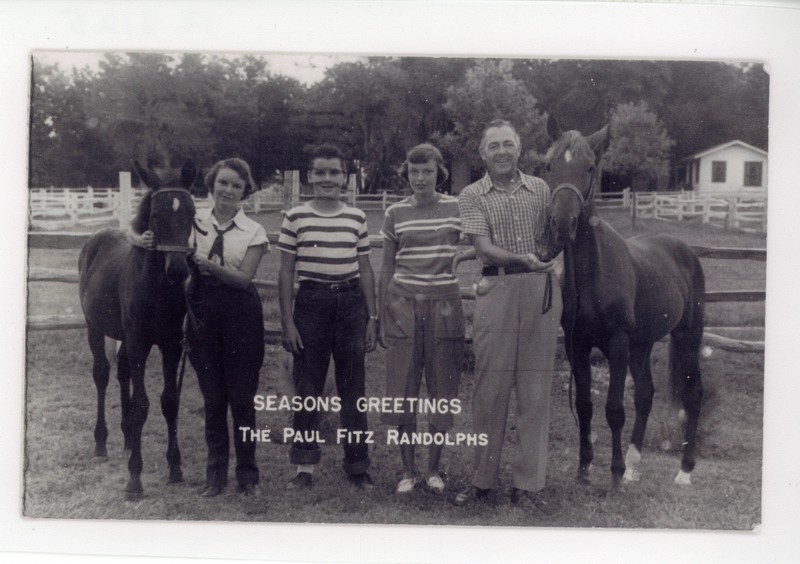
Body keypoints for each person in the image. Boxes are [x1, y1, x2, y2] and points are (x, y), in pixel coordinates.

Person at [139, 158, 268, 498]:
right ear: (211, 185)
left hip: (242, 315)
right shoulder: (192, 222)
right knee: (213, 399)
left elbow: (243, 279)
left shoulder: (254, 231)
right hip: (202, 315)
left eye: (236, 186)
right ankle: (215, 478)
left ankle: (247, 476)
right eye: (223, 183)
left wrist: (208, 263)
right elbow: (155, 236)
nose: (228, 190)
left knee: (242, 399)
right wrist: (148, 239)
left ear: (245, 192)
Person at [454, 119, 563, 508]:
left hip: (540, 292)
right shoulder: (472, 194)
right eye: (493, 146)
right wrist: (522, 259)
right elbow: (482, 248)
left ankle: (527, 486)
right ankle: (483, 482)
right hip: (496, 288)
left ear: (519, 149)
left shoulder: (541, 188)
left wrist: (555, 265)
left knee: (534, 391)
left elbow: (557, 237)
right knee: (490, 389)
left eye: (508, 144)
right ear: (482, 153)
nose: (502, 151)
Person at [277, 144, 377, 490]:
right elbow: (286, 270)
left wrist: (371, 316)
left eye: (334, 172)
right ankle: (305, 467)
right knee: (308, 387)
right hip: (311, 304)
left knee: (353, 389)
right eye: (320, 171)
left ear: (345, 177)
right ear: (309, 177)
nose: (327, 178)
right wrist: (288, 321)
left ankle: (358, 466)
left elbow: (365, 267)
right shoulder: (296, 216)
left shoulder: (356, 217)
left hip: (350, 304)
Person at [377, 143, 464, 495]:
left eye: (427, 171)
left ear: (438, 172)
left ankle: (433, 469)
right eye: (414, 171)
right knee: (403, 388)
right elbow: (386, 267)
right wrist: (382, 313)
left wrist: (467, 256)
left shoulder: (457, 208)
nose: (420, 178)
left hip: (445, 304)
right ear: (406, 173)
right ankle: (407, 471)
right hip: (403, 305)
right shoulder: (395, 212)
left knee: (442, 389)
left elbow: (481, 240)